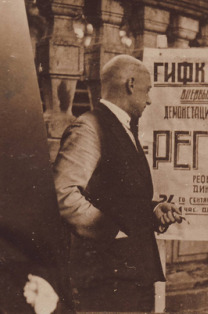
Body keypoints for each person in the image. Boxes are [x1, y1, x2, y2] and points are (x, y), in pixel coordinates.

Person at [53, 54, 182, 312]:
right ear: (131, 84)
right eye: (147, 90)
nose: (149, 99)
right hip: (107, 282)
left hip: (131, 278)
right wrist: (112, 231)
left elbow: (117, 196)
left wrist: (153, 210)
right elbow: (63, 195)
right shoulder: (89, 127)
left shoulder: (121, 127)